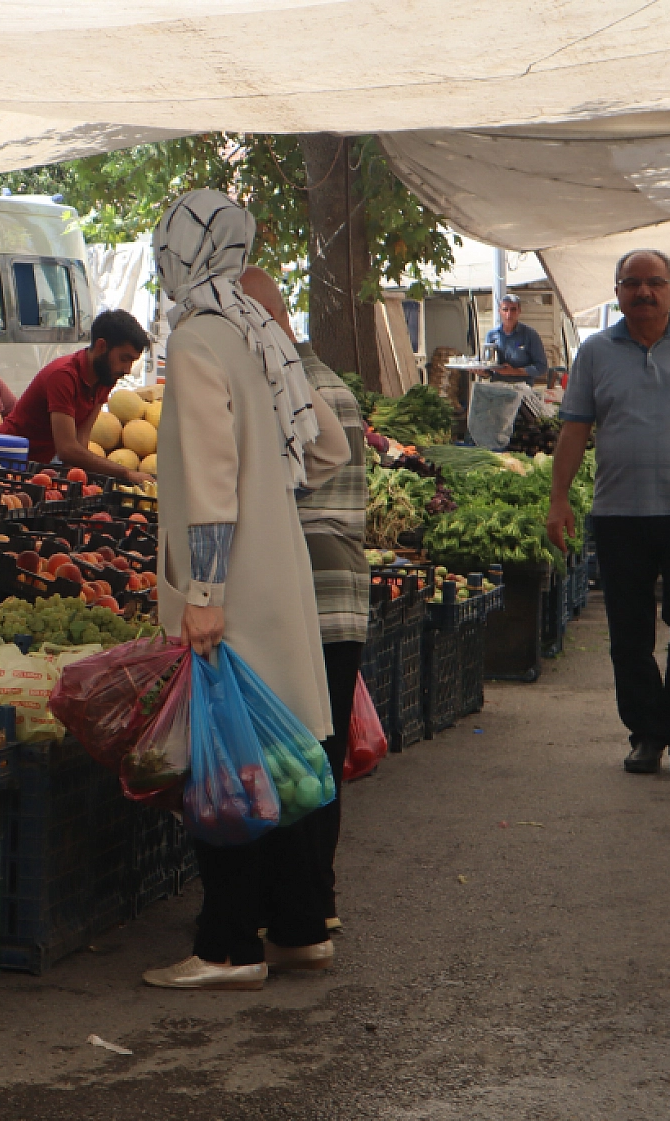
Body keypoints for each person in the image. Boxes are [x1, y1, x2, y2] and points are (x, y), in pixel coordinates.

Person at [142, 190, 350, 991]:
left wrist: (203, 590)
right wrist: (272, 492)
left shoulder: (197, 337)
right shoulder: (258, 329)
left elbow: (209, 479)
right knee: (285, 755)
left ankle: (228, 946)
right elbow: (327, 448)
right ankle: (300, 932)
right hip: (280, 575)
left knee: (225, 761)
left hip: (227, 585)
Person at [240, 265, 367, 936]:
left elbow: (276, 493)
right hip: (337, 594)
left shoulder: (296, 392)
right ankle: (316, 901)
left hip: (307, 594)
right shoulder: (327, 384)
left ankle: (297, 913)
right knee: (318, 754)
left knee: (296, 759)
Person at [547, 249, 670, 775]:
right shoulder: (595, 351)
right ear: (618, 292)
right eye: (632, 283)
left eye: (655, 282)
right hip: (619, 513)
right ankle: (646, 734)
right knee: (629, 633)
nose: (644, 292)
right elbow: (574, 428)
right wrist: (558, 499)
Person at [0, 310, 150, 480]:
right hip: (0, 460)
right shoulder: (63, 376)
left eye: (132, 362)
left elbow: (81, 439)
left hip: (33, 469)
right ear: (101, 347)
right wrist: (126, 473)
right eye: (124, 359)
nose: (127, 370)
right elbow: (67, 449)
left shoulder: (105, 378)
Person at [483, 293, 548, 383]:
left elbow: (542, 367)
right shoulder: (491, 335)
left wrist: (514, 371)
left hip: (522, 388)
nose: (509, 314)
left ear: (519, 311)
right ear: (499, 311)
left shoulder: (530, 335)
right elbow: (488, 369)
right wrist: (482, 372)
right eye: (505, 310)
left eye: (513, 310)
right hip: (497, 387)